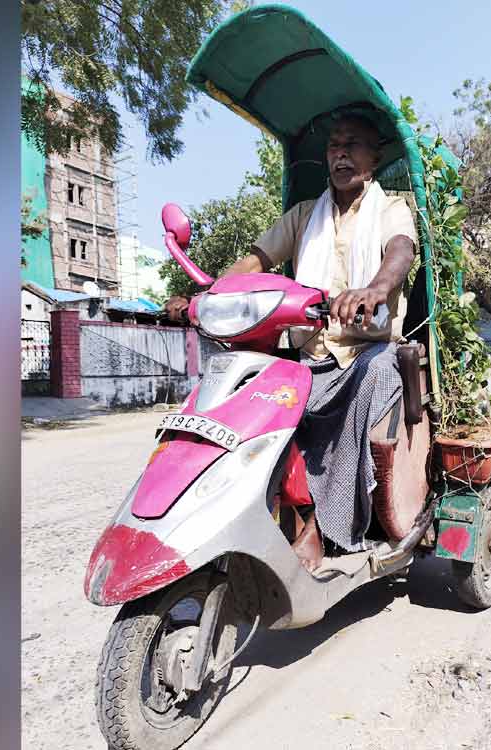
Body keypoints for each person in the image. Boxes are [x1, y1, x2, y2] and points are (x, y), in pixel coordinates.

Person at [165, 111, 416, 571]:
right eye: (334, 145)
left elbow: (400, 249)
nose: (340, 153)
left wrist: (376, 288)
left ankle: (328, 525)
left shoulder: (392, 209)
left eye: (352, 144)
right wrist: (208, 297)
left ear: (374, 157)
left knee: (378, 371)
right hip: (309, 351)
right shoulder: (305, 215)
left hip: (364, 350)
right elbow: (255, 261)